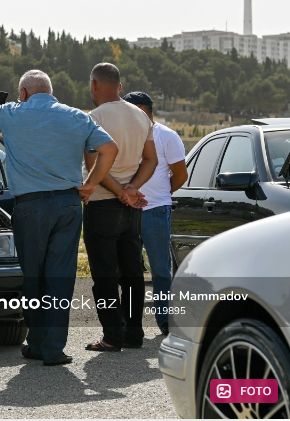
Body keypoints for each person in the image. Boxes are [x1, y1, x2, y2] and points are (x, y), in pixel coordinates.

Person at [0, 70, 118, 366]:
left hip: (31, 206)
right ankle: (51, 349)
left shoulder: (14, 114)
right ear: (50, 91)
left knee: (34, 278)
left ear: (23, 93)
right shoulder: (76, 116)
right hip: (68, 205)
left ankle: (37, 342)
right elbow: (109, 149)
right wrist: (91, 184)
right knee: (60, 278)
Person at [83, 63, 158, 352]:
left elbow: (94, 167)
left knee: (104, 277)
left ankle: (111, 335)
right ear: (120, 87)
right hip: (132, 209)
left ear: (94, 85)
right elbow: (151, 160)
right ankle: (135, 333)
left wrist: (119, 192)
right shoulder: (141, 115)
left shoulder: (95, 117)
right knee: (132, 274)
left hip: (103, 205)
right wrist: (132, 189)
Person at [123, 92, 188, 336]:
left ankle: (165, 319)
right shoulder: (121, 136)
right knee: (127, 270)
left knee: (160, 269)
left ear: (147, 111)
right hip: (126, 210)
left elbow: (180, 175)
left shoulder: (167, 136)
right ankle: (128, 322)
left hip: (155, 210)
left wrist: (161, 194)